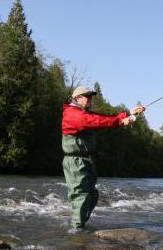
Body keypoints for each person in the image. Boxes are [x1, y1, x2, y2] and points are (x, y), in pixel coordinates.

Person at [61, 85, 146, 231]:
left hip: (86, 160)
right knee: (81, 196)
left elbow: (104, 118)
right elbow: (99, 121)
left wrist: (129, 113)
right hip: (75, 161)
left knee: (93, 195)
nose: (90, 99)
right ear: (77, 98)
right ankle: (77, 231)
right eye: (87, 96)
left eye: (91, 96)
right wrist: (122, 121)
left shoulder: (83, 113)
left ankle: (79, 225)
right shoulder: (73, 114)